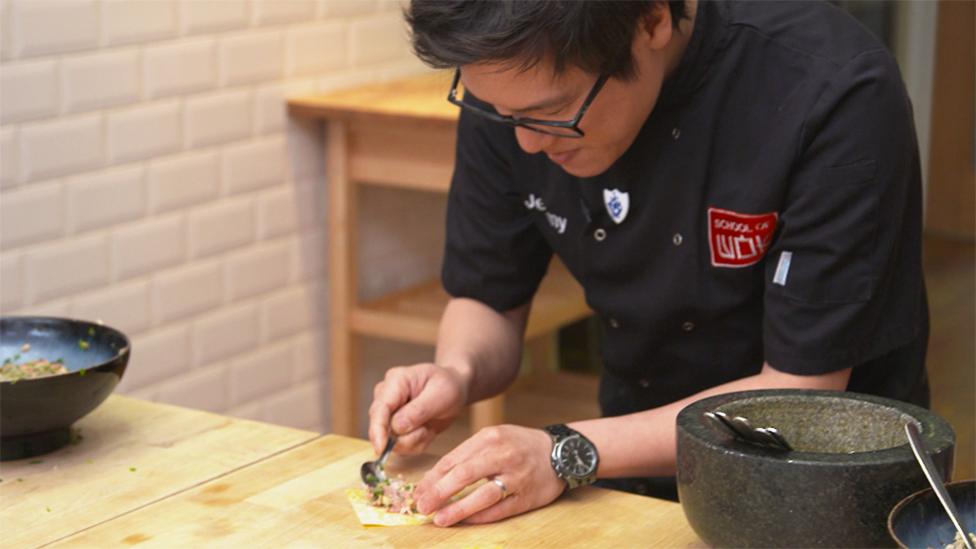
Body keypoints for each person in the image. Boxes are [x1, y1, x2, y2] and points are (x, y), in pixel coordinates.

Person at [367, 0, 929, 527]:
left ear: (653, 20)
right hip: (621, 468)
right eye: (499, 112)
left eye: (553, 113)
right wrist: (457, 373)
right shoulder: (513, 93)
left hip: (829, 486)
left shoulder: (833, 89)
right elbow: (488, 294)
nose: (527, 144)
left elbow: (800, 392)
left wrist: (564, 452)